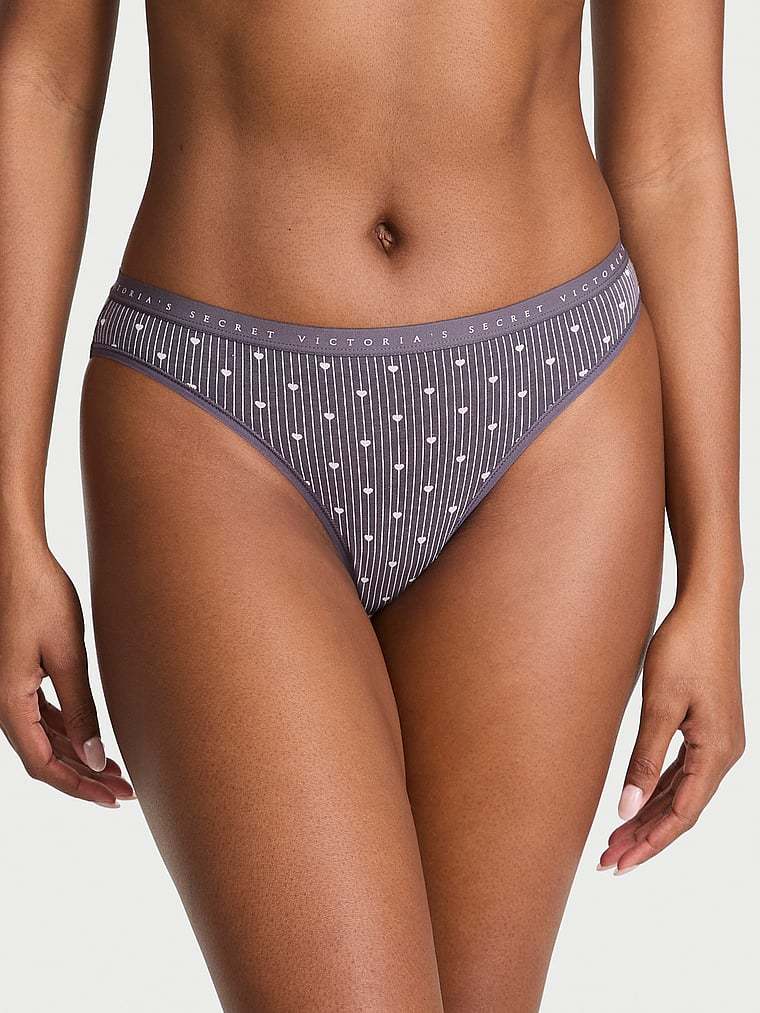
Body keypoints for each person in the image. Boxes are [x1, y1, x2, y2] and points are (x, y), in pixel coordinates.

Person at [0, 2, 745, 1009]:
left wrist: (716, 571)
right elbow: (39, 80)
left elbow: (672, 148)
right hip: (215, 414)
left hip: (552, 419)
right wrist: (8, 519)